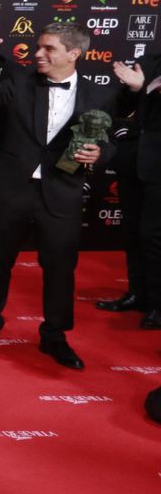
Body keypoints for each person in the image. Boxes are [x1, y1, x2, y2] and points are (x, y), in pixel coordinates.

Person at [0, 20, 115, 369]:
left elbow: (110, 144)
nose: (38, 53)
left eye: (49, 49)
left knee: (60, 269)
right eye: (38, 46)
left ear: (73, 54)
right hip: (11, 189)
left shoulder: (100, 95)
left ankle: (54, 336)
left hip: (61, 192)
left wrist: (99, 155)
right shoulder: (17, 81)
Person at [107, 50, 161, 327]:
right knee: (133, 231)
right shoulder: (151, 60)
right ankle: (137, 294)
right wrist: (132, 89)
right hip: (136, 159)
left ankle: (157, 305)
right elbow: (124, 105)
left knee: (154, 236)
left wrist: (144, 90)